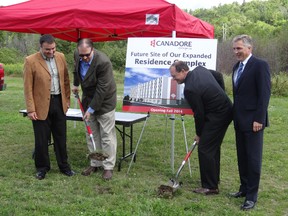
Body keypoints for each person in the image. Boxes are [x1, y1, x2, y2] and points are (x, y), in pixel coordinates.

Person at [169, 61, 233, 195]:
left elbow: (199, 114)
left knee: (205, 148)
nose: (173, 79)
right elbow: (219, 75)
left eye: (175, 76)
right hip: (225, 109)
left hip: (218, 115)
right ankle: (214, 180)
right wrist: (221, 94)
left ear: (183, 71)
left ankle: (210, 186)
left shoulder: (190, 89)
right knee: (212, 147)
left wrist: (199, 134)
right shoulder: (200, 70)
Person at [23, 34, 75, 180]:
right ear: (40, 47)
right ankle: (42, 168)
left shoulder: (61, 57)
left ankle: (64, 167)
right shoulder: (30, 61)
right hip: (40, 106)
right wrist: (31, 109)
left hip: (59, 103)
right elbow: (27, 88)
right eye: (47, 49)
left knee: (61, 137)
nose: (51, 52)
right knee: (41, 139)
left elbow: (65, 80)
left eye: (53, 49)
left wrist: (67, 100)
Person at [229, 34, 271, 210]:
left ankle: (252, 197)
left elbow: (264, 94)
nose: (236, 52)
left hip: (254, 121)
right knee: (242, 157)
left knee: (253, 159)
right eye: (234, 49)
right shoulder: (236, 67)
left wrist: (259, 119)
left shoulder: (260, 65)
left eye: (239, 48)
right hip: (239, 120)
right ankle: (244, 188)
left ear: (249, 48)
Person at [72, 38, 117, 180]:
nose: (84, 58)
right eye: (81, 55)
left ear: (93, 49)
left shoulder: (103, 62)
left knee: (106, 136)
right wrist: (75, 84)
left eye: (87, 55)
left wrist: (90, 110)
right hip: (88, 99)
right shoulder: (77, 55)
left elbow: (102, 89)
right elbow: (75, 69)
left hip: (105, 102)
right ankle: (95, 162)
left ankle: (108, 166)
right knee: (91, 134)